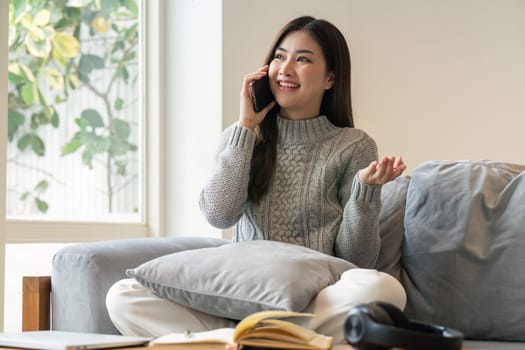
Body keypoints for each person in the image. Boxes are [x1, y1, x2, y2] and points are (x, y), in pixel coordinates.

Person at [106, 15, 406, 344]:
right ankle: (270, 341)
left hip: (312, 300)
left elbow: (357, 260)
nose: (286, 68)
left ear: (330, 78)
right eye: (279, 56)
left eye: (302, 59)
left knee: (383, 289)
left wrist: (366, 193)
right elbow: (219, 214)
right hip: (241, 296)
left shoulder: (354, 145)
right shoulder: (242, 137)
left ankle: (239, 342)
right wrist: (245, 127)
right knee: (123, 295)